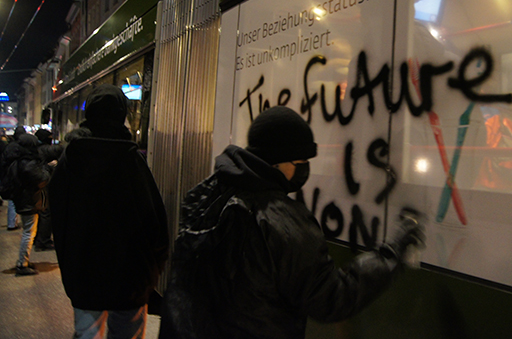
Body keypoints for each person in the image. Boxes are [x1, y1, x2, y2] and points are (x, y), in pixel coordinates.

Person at [159, 106, 425, 339]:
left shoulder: (206, 195)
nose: (304, 169)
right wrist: (392, 252)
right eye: (301, 161)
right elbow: (332, 297)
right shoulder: (281, 221)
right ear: (277, 161)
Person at [49, 84, 169, 339]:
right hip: (130, 279)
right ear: (121, 114)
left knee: (87, 334)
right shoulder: (132, 161)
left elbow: (58, 220)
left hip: (83, 276)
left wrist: (70, 267)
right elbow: (154, 222)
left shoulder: (70, 161)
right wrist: (153, 271)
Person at [4, 133, 51, 275]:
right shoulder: (28, 163)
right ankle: (22, 264)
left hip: (25, 200)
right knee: (29, 233)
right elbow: (42, 178)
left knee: (28, 231)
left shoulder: (18, 160)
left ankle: (23, 260)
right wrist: (47, 169)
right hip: (28, 201)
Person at [33, 128, 62, 251]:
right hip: (44, 184)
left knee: (41, 212)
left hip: (38, 184)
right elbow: (59, 150)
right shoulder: (43, 149)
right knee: (46, 212)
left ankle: (39, 238)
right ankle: (43, 241)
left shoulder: (34, 149)